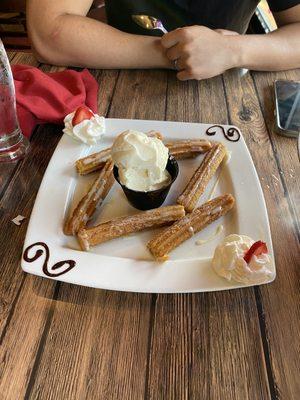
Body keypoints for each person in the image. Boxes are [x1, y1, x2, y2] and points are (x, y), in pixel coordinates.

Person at [27, 0, 300, 81]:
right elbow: (48, 31)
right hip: (109, 75)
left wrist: (232, 50)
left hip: (221, 89)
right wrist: (178, 54)